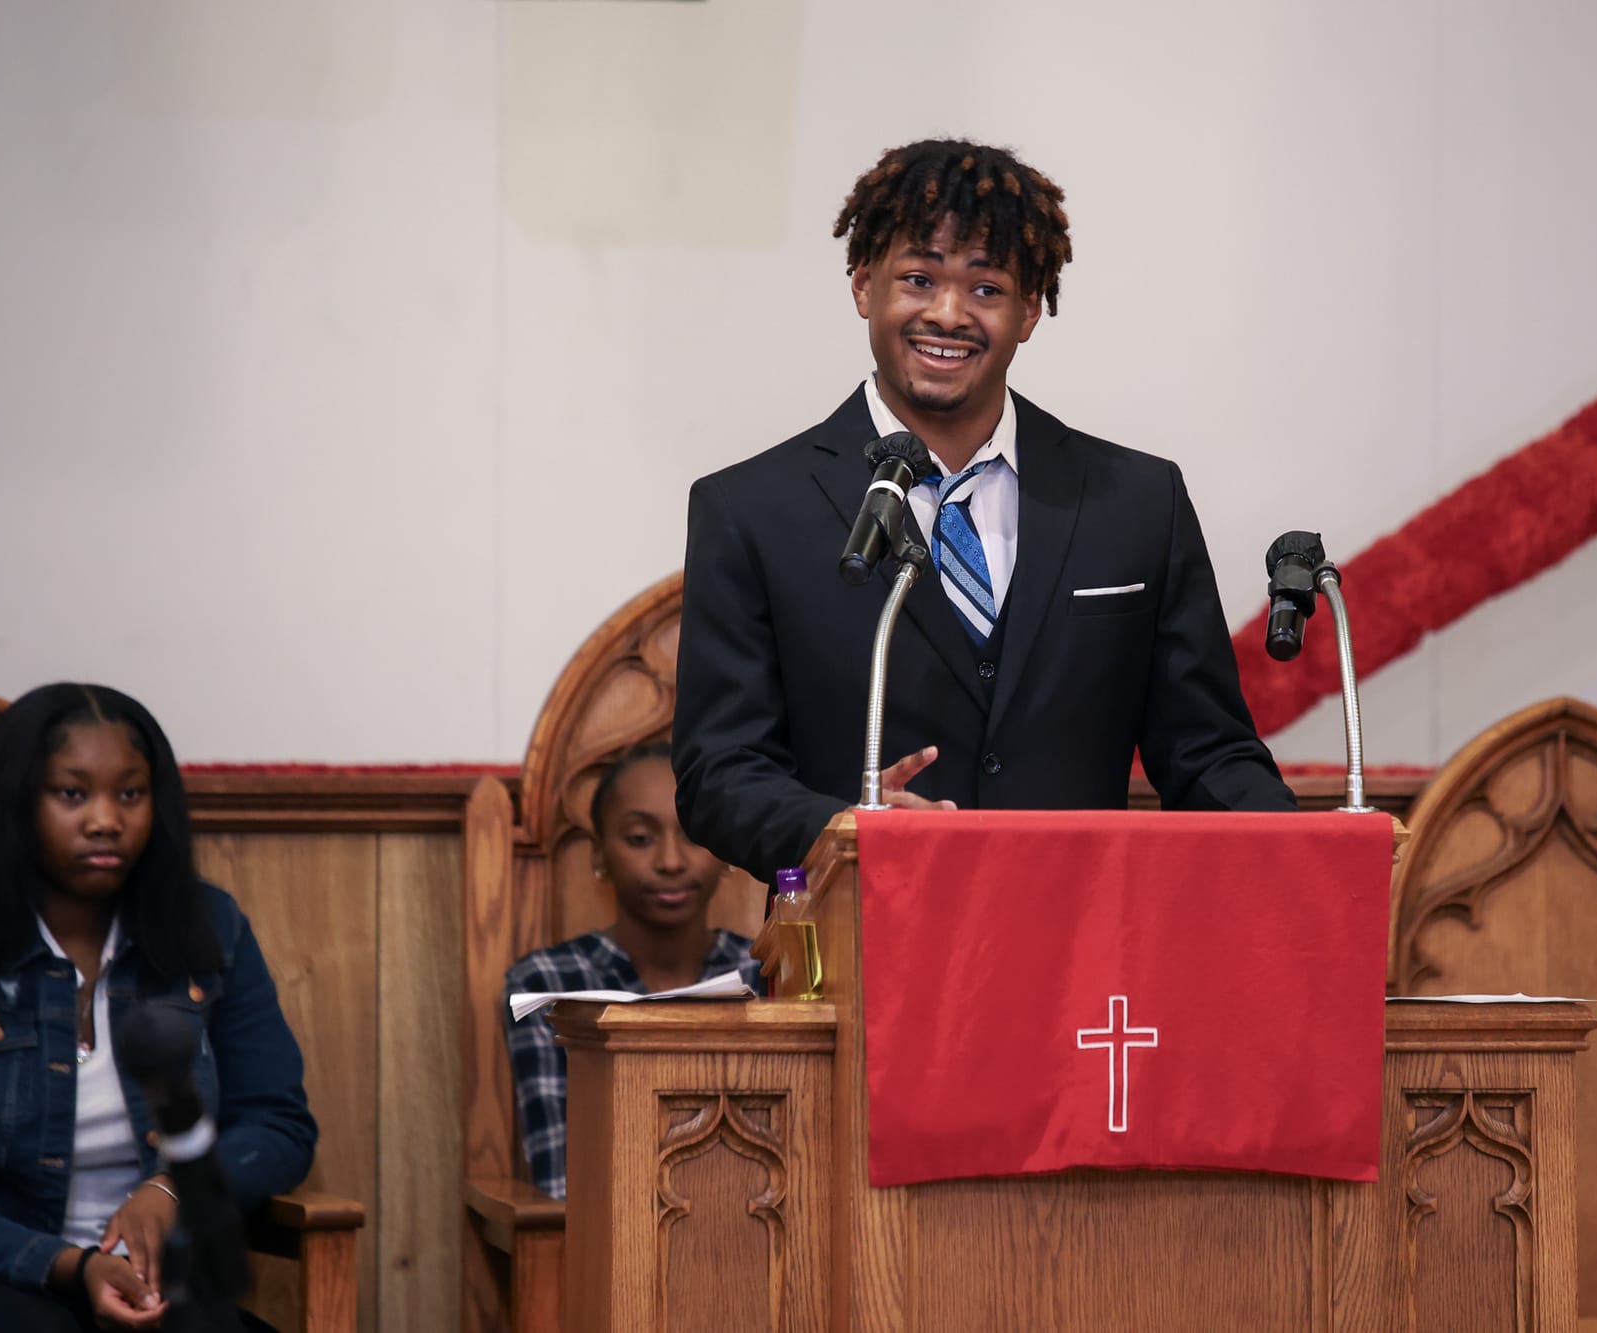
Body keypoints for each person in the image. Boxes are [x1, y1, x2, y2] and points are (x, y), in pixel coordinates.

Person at [673, 138, 1297, 884]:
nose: (948, 313)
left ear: (1030, 310)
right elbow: (719, 774)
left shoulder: (1135, 502)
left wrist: (1314, 853)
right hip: (860, 953)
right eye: (917, 278)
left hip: (1084, 962)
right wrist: (841, 830)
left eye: (986, 288)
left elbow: (1206, 752)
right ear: (863, 286)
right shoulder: (750, 509)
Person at [0, 684, 317, 1332]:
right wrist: (70, 1262)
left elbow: (278, 1122)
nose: (106, 819)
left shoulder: (210, 927)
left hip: (161, 1283)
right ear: (17, 802)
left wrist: (175, 1188)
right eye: (72, 793)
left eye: (130, 793)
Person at [502, 742, 763, 1200]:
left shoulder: (763, 973)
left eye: (694, 835)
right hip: (602, 1246)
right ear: (599, 854)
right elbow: (561, 1180)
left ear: (722, 850)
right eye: (640, 838)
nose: (670, 861)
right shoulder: (548, 982)